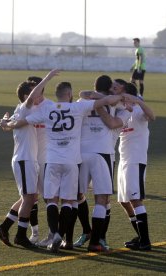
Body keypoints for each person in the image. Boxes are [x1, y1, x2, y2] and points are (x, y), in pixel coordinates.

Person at [0, 69, 124, 253]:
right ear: (70, 94)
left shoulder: (47, 109)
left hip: (52, 160)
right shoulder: (78, 107)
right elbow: (108, 101)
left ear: (55, 95)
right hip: (72, 161)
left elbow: (20, 123)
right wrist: (123, 99)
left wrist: (6, 124)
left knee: (50, 200)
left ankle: (55, 234)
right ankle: (68, 237)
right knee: (68, 201)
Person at [70, 75, 130, 252]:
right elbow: (124, 103)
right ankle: (95, 240)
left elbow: (82, 94)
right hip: (102, 153)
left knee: (75, 196)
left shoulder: (83, 100)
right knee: (102, 199)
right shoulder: (113, 103)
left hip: (81, 152)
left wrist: (92, 94)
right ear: (109, 88)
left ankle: (70, 237)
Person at [0, 80, 40, 249]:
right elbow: (6, 125)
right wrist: (48, 77)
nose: (39, 94)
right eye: (35, 92)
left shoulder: (21, 109)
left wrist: (5, 121)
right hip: (24, 159)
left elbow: (5, 125)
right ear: (27, 96)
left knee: (30, 198)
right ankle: (21, 236)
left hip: (27, 159)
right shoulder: (25, 108)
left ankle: (4, 227)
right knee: (29, 198)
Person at [117, 83, 155, 250]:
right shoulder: (122, 112)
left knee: (135, 199)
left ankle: (145, 241)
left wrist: (138, 101)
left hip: (135, 160)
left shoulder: (139, 111)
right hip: (124, 161)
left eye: (122, 94)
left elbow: (152, 116)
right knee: (124, 201)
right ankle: (140, 236)